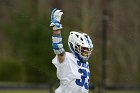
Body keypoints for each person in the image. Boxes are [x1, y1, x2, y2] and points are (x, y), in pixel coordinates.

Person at [50, 8, 93, 93]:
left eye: (87, 50)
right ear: (74, 46)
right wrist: (56, 28)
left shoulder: (86, 64)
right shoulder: (67, 58)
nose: (86, 52)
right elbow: (58, 48)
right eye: (83, 49)